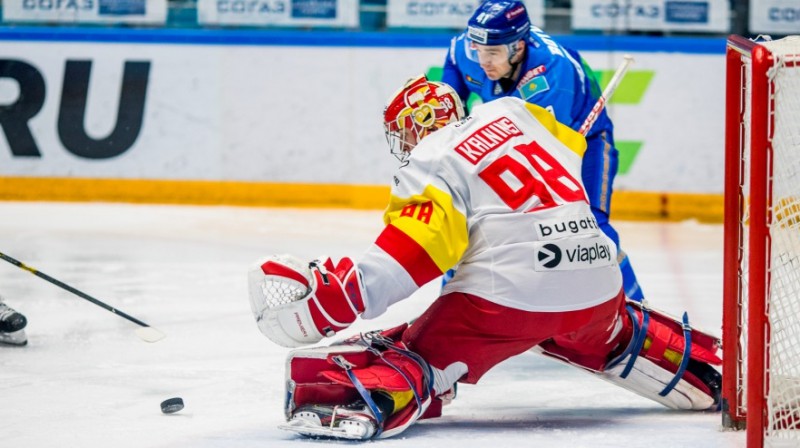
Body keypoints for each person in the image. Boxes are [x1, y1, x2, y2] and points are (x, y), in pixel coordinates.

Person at [247, 76, 721, 440]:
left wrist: (344, 295)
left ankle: (373, 397)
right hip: (601, 278)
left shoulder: (431, 157)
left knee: (418, 350)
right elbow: (571, 149)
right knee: (607, 329)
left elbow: (417, 251)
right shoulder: (515, 111)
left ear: (412, 131)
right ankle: (705, 367)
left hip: (511, 300)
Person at [440, 0, 644, 301]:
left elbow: (542, 154)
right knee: (467, 217)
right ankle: (449, 307)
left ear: (518, 47)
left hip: (584, 145)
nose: (483, 60)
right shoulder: (467, 51)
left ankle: (636, 306)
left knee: (589, 226)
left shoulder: (552, 76)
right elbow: (452, 85)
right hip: (519, 135)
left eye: (493, 53)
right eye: (478, 50)